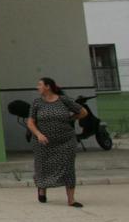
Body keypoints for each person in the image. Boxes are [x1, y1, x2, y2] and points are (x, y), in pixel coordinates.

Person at [26, 76, 88, 207]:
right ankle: (42, 189)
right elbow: (30, 122)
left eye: (40, 85)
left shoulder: (64, 100)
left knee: (68, 168)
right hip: (44, 142)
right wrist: (38, 134)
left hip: (65, 140)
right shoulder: (37, 103)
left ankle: (71, 200)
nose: (38, 87)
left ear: (48, 87)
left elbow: (83, 112)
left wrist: (72, 119)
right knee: (42, 167)